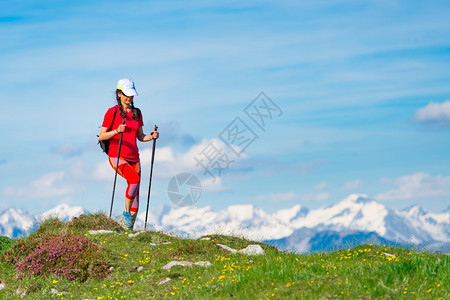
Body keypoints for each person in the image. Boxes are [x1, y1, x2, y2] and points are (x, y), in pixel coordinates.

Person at [99, 78, 159, 230]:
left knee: (136, 193)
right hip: (116, 156)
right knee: (134, 179)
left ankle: (128, 229)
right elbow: (102, 136)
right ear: (119, 94)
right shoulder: (111, 112)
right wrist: (116, 131)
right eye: (126, 95)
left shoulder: (137, 113)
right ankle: (125, 214)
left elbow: (140, 136)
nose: (129, 98)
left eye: (131, 95)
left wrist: (151, 137)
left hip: (134, 157)